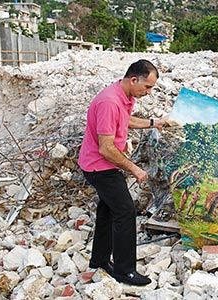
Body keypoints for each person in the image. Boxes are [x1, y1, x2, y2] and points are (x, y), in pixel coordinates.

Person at [78, 59, 165, 286]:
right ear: (133, 79)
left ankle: (99, 262)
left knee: (108, 211)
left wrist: (155, 123)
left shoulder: (123, 96)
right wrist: (135, 168)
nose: (148, 92)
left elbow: (125, 121)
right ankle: (125, 271)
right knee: (125, 212)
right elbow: (105, 148)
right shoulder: (109, 102)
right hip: (100, 166)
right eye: (147, 87)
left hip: (101, 164)